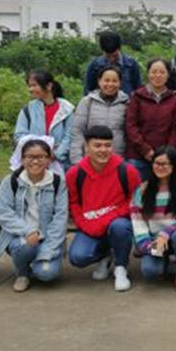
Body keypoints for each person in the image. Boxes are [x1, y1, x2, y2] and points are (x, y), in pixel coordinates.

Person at [67, 125, 141, 292]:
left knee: (119, 227)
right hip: (90, 224)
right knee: (78, 257)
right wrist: (85, 225)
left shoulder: (127, 171)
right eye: (97, 145)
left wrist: (105, 220)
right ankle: (106, 255)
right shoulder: (75, 173)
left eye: (107, 145)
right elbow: (73, 204)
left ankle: (121, 266)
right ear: (87, 147)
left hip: (117, 221)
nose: (103, 150)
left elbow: (135, 201)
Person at [0, 138, 68, 292]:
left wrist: (48, 250)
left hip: (48, 238)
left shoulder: (57, 182)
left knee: (46, 274)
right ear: (22, 159)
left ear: (49, 159)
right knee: (24, 247)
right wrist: (27, 231)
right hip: (21, 237)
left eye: (41, 157)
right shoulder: (11, 181)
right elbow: (4, 212)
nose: (35, 161)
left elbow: (60, 217)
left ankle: (40, 263)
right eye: (30, 157)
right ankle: (22, 273)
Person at [130, 146, 176, 292]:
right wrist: (147, 245)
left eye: (165, 164)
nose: (160, 167)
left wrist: (165, 234)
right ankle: (169, 263)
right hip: (154, 241)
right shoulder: (143, 190)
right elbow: (137, 221)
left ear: (174, 166)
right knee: (150, 271)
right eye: (157, 163)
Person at [125, 58, 176, 181]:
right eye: (154, 72)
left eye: (162, 72)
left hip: (164, 159)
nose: (158, 75)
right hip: (138, 156)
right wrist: (145, 149)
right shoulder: (137, 96)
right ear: (148, 74)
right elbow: (131, 125)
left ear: (168, 75)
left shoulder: (173, 99)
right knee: (136, 190)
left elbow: (175, 128)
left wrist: (167, 152)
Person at [14, 69, 75, 171]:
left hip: (60, 164)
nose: (31, 89)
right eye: (29, 86)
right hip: (33, 163)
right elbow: (19, 135)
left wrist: (56, 154)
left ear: (49, 86)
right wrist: (37, 152)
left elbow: (69, 136)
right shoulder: (28, 109)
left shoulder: (67, 110)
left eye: (34, 85)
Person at [70, 65, 130, 164]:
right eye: (106, 80)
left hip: (117, 158)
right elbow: (77, 130)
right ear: (99, 81)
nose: (110, 84)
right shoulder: (87, 102)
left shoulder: (127, 103)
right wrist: (77, 159)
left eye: (114, 81)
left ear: (120, 83)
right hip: (90, 158)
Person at [83, 31, 142, 96]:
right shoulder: (95, 66)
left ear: (119, 49)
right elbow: (88, 91)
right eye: (108, 56)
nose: (111, 59)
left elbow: (138, 89)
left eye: (114, 56)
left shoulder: (131, 64)